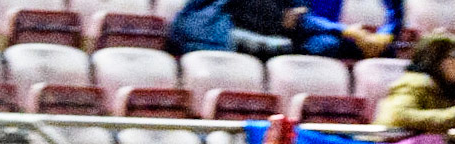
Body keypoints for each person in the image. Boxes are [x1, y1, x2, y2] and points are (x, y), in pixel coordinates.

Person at [168, 0, 393, 60]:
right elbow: (286, 18)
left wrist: (352, 36)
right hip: (216, 31)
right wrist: (347, 31)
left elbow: (298, 18)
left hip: (276, 34)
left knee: (326, 45)